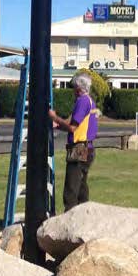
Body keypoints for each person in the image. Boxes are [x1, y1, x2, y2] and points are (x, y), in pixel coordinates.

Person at [49, 73, 99, 212]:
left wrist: (55, 117)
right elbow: (76, 126)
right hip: (88, 146)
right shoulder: (90, 101)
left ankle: (69, 219)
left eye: (73, 88)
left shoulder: (82, 101)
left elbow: (72, 127)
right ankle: (83, 217)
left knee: (71, 188)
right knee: (81, 186)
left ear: (78, 88)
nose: (72, 91)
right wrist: (58, 125)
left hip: (79, 147)